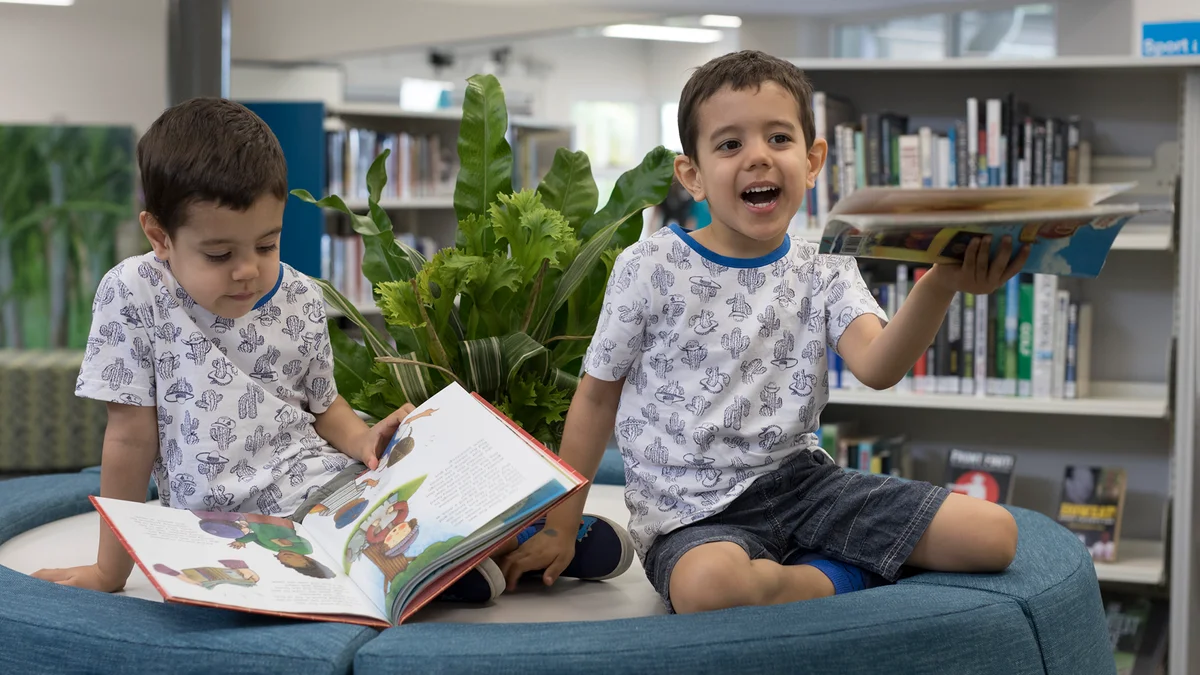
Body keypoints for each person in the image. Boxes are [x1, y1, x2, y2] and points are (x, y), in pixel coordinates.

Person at [31, 97, 631, 603]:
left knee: (407, 497)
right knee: (362, 547)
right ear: (159, 236)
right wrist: (113, 570)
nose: (248, 271)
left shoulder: (294, 294)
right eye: (220, 255)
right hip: (229, 523)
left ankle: (527, 538)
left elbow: (324, 406)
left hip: (328, 484)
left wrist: (363, 440)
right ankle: (473, 562)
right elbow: (130, 437)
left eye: (266, 244)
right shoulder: (130, 293)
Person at [499, 50, 1028, 614]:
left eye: (779, 138)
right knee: (709, 589)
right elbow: (596, 396)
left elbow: (878, 366)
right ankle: (831, 577)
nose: (758, 158)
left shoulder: (825, 264)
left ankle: (792, 572)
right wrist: (561, 525)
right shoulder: (647, 266)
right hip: (691, 513)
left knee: (993, 536)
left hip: (804, 488)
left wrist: (940, 282)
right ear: (692, 175)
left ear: (813, 159)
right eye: (730, 145)